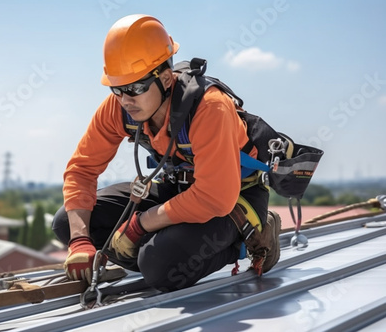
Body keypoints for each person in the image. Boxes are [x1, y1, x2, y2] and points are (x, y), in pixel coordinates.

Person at [52, 14, 281, 292]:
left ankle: (249, 239)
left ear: (165, 78)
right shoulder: (120, 107)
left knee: (159, 268)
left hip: (233, 200)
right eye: (117, 89)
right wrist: (80, 241)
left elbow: (215, 197)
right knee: (69, 222)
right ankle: (160, 251)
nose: (125, 100)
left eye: (135, 88)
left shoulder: (209, 108)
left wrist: (140, 225)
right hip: (176, 190)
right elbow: (82, 170)